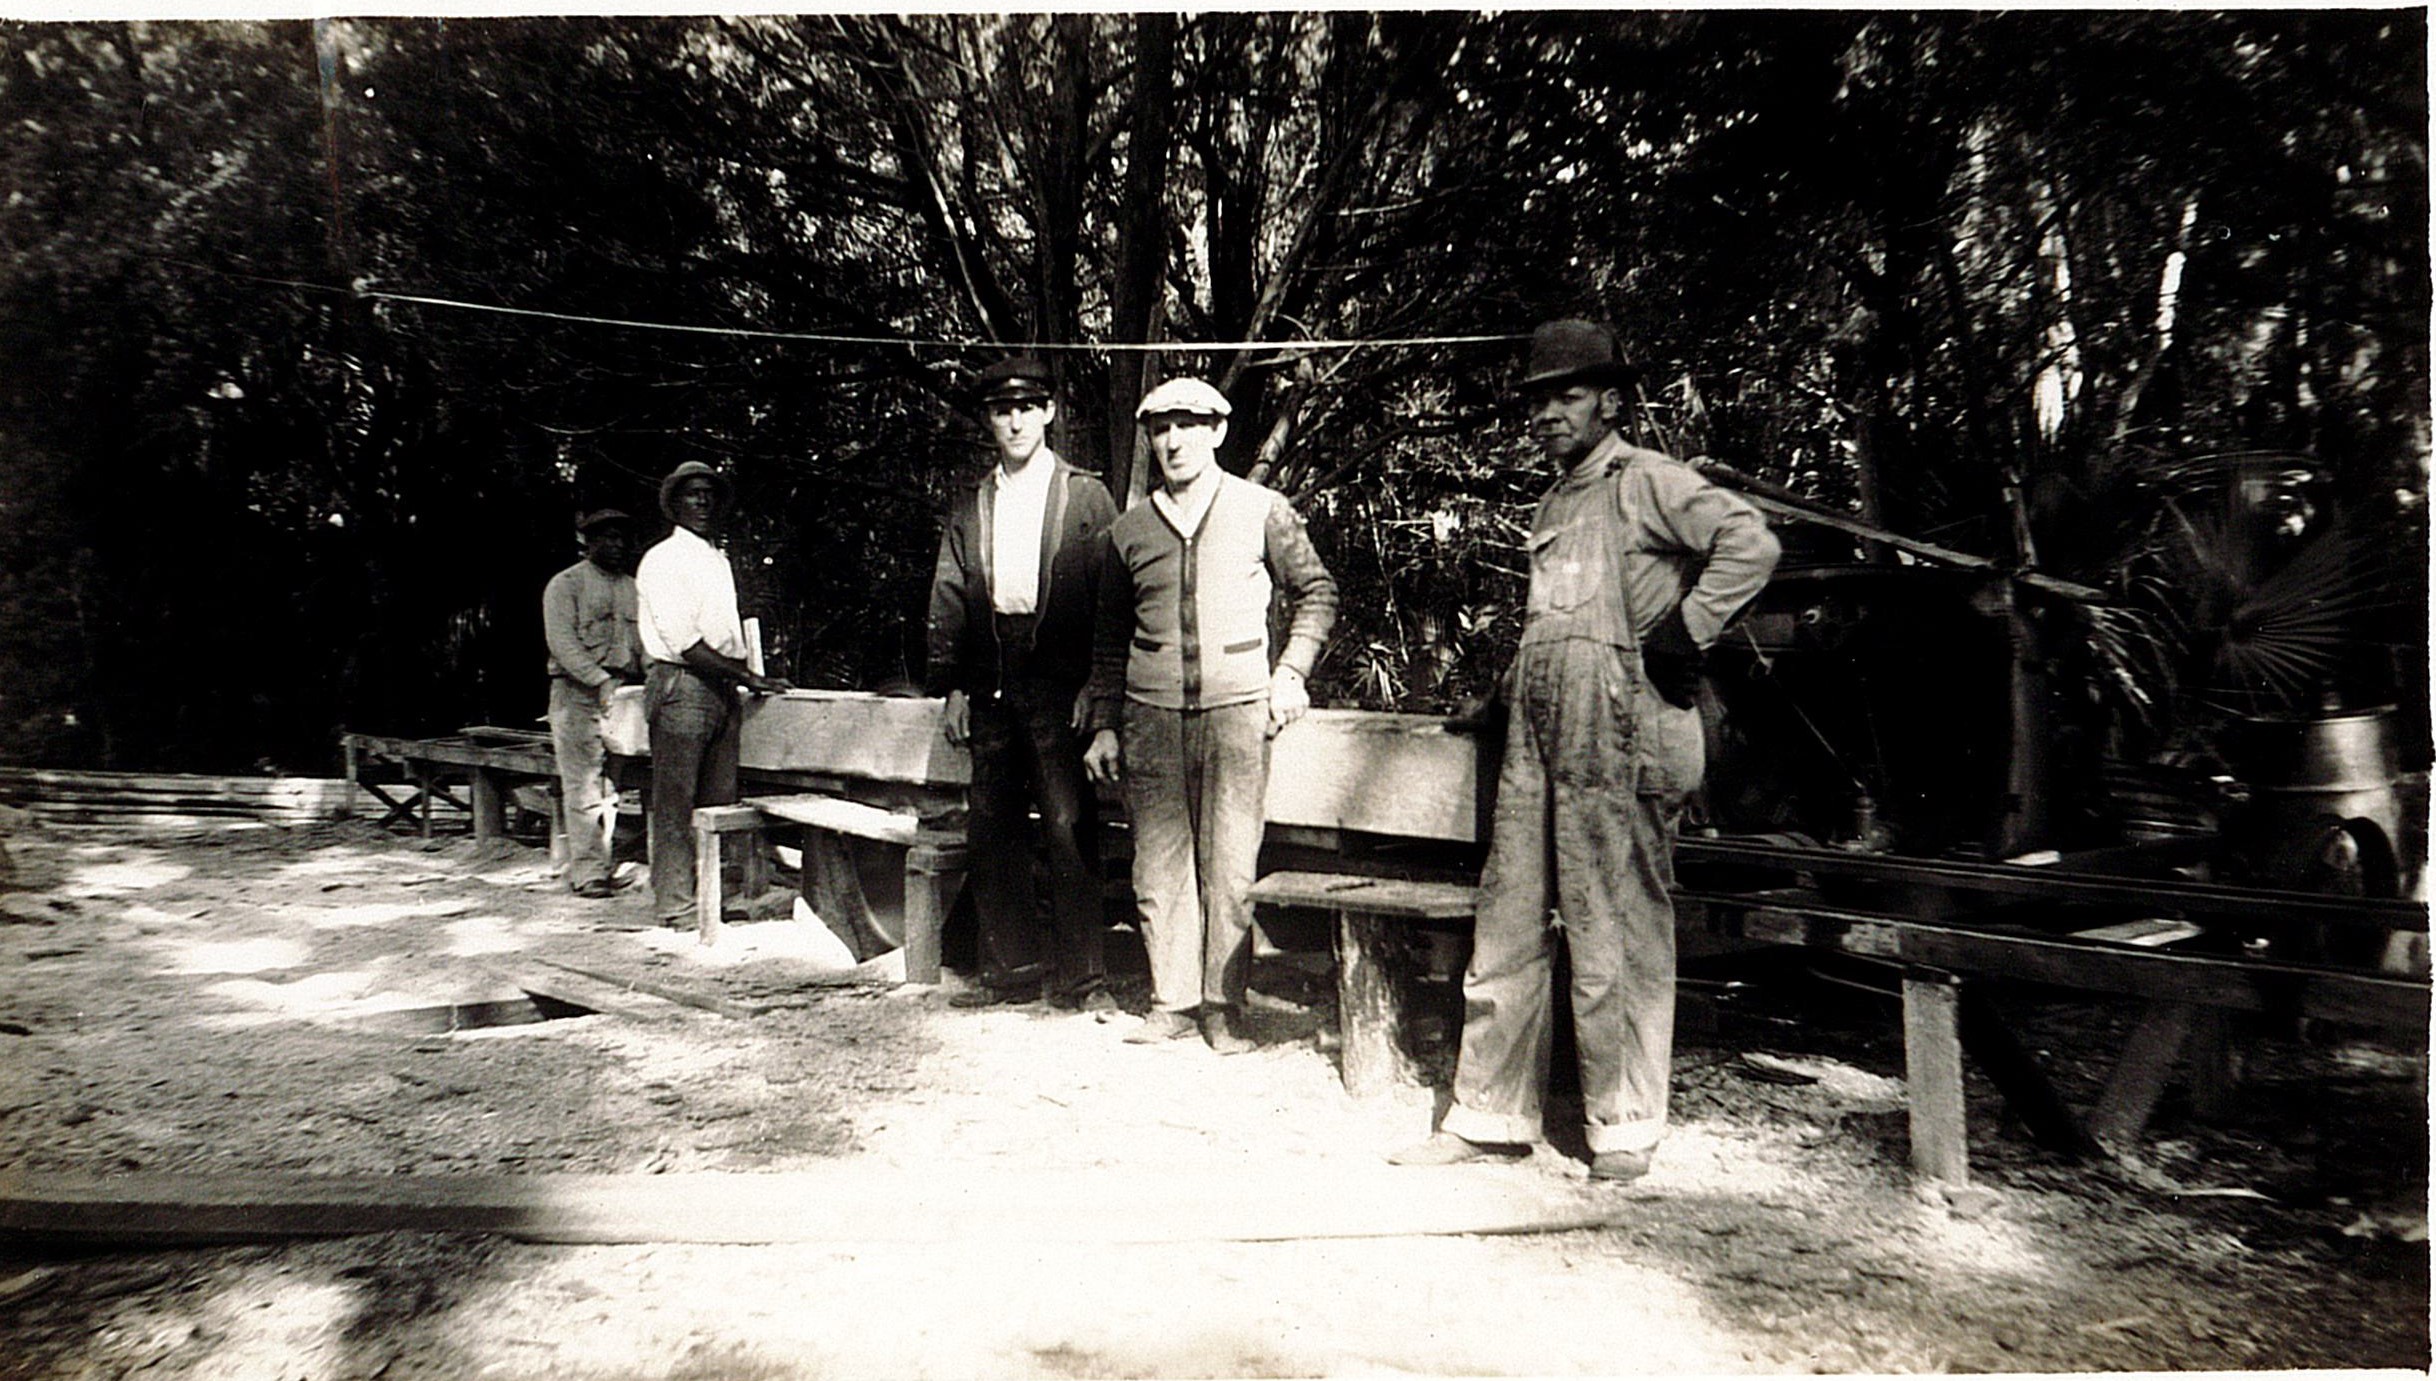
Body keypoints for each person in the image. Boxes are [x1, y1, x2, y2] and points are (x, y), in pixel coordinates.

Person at [1390, 320, 1779, 1181]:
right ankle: (1488, 1116)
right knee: (1511, 918)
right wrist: (1497, 696)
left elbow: (1752, 542)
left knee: (1620, 930)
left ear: (1611, 400)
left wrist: (1688, 631)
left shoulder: (1647, 481)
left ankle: (1624, 1126)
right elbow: (1554, 625)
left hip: (1621, 732)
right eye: (1537, 401)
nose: (1547, 415)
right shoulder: (1556, 499)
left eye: (1565, 397)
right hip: (1540, 738)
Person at [1083, 377, 1338, 1053]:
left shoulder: (1262, 510)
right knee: (1158, 863)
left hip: (1237, 710)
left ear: (1219, 432)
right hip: (1150, 714)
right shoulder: (1127, 532)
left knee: (1230, 862)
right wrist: (1107, 721)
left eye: (1188, 425)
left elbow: (1317, 592)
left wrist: (1292, 670)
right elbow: (1108, 640)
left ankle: (1224, 1005)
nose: (1173, 440)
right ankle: (1173, 999)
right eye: (1161, 428)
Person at [925, 357, 1120, 1012]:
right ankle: (1011, 968)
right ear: (990, 420)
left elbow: (1109, 599)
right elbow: (950, 594)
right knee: (992, 823)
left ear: (1048, 414)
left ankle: (1083, 980)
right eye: (1002, 410)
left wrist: (1098, 683)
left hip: (1060, 680)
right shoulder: (975, 502)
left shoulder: (1085, 495)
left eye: (1027, 407)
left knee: (1068, 824)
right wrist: (951, 684)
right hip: (992, 680)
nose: (1014, 420)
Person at [635, 461, 792, 928]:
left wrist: (747, 675)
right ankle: (677, 906)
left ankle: (710, 899)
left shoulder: (714, 558)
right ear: (674, 504)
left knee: (718, 804)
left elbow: (725, 634)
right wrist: (750, 677)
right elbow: (686, 643)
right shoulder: (663, 560)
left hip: (720, 689)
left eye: (709, 495)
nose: (702, 503)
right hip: (683, 685)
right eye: (691, 495)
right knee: (676, 802)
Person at [542, 507, 643, 899]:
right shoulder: (565, 585)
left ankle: (603, 862)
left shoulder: (634, 588)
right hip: (577, 692)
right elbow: (562, 643)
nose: (617, 545)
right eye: (607, 537)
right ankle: (587, 873)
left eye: (622, 538)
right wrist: (599, 680)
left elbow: (646, 644)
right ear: (588, 541)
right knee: (582, 785)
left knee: (611, 786)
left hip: (623, 694)